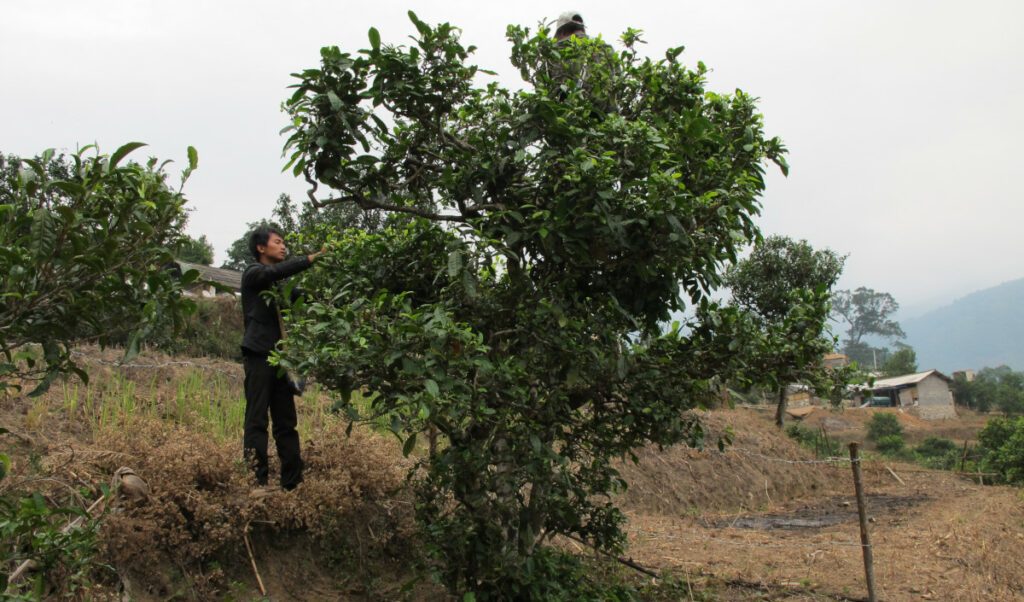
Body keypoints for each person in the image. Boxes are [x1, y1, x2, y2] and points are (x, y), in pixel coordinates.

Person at [240, 225, 326, 490]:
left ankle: (292, 484)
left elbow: (302, 296)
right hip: (259, 355)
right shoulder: (254, 274)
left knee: (286, 422)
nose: (283, 246)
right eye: (278, 242)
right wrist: (310, 259)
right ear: (261, 248)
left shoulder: (278, 286)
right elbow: (274, 271)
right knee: (257, 420)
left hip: (281, 361)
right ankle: (257, 482)